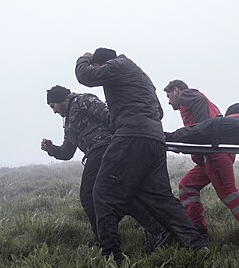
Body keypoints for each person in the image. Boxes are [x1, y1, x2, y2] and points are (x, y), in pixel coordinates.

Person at [75, 48, 207, 264]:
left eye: (99, 68)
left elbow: (85, 76)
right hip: (153, 140)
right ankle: (197, 246)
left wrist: (84, 59)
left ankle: (111, 258)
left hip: (130, 137)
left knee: (101, 194)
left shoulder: (117, 65)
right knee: (161, 199)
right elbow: (159, 112)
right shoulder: (141, 76)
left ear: (103, 63)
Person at [41, 85, 170, 250]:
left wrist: (126, 141)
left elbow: (110, 116)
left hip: (106, 147)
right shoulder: (68, 123)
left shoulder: (83, 101)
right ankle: (158, 230)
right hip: (96, 152)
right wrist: (51, 149)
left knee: (88, 194)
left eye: (53, 106)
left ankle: (106, 241)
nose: (54, 111)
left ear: (61, 99)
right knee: (121, 196)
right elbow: (67, 152)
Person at [163, 80, 239, 252]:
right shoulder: (191, 105)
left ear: (177, 90)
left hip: (215, 154)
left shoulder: (188, 96)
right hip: (211, 154)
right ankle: (198, 230)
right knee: (187, 185)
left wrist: (197, 134)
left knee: (228, 193)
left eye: (169, 96)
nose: (169, 101)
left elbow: (200, 124)